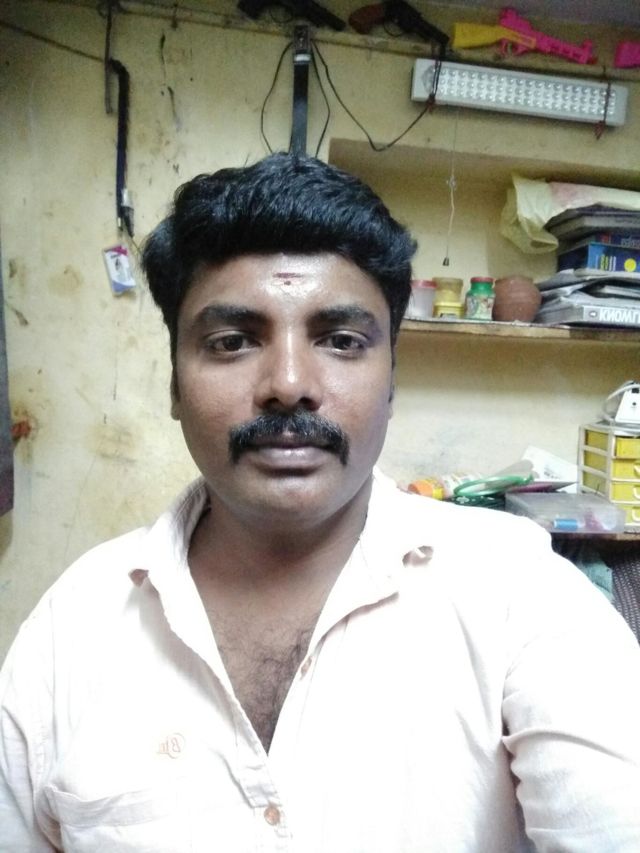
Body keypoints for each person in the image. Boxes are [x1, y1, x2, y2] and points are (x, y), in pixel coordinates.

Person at [1, 153, 640, 853]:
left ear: (391, 380)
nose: (288, 383)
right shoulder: (71, 628)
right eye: (232, 342)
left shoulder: (522, 595)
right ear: (175, 385)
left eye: (340, 340)